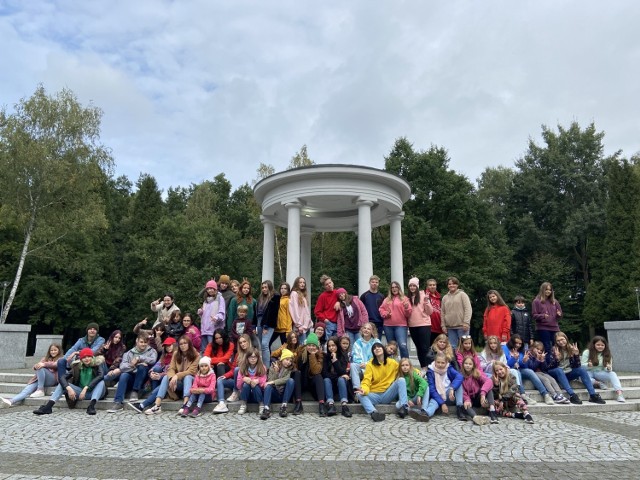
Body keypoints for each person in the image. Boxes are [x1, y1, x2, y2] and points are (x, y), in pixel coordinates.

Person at [128, 336, 200, 415]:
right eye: (181, 344)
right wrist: (172, 377)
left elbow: (191, 371)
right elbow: (171, 369)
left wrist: (176, 376)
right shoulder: (174, 354)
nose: (183, 345)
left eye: (185, 343)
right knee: (165, 377)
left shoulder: (196, 355)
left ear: (189, 344)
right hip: (176, 383)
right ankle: (157, 405)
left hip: (191, 383)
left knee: (187, 377)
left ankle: (185, 405)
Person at [33, 348, 106, 416]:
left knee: (101, 382)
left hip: (97, 393)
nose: (86, 359)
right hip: (82, 393)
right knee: (62, 384)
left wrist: (86, 387)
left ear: (92, 357)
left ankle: (91, 406)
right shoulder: (77, 367)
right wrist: (68, 388)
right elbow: (62, 378)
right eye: (84, 357)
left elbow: (101, 376)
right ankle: (48, 407)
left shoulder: (97, 365)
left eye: (88, 356)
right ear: (81, 359)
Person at [355, 341, 409, 422]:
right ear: (373, 352)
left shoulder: (392, 363)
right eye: (374, 348)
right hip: (374, 395)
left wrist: (416, 371)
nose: (376, 348)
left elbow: (404, 368)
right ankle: (374, 413)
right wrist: (364, 389)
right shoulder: (370, 364)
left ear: (383, 349)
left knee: (401, 380)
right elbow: (366, 380)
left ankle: (404, 407)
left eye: (378, 347)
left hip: (387, 394)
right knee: (359, 394)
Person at [547, 332, 605, 405]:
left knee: (581, 369)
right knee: (559, 370)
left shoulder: (571, 348)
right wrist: (556, 359)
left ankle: (593, 395)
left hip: (568, 372)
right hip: (556, 373)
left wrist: (576, 355)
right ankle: (572, 395)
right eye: (558, 341)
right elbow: (548, 367)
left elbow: (577, 366)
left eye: (562, 339)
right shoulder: (553, 350)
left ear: (566, 339)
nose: (561, 342)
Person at [107, 334, 158, 412]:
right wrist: (135, 366)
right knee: (124, 375)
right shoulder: (129, 353)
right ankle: (118, 402)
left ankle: (135, 391)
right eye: (141, 342)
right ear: (137, 341)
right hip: (132, 377)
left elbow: (153, 360)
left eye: (145, 342)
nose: (143, 344)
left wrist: (139, 358)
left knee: (142, 367)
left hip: (145, 379)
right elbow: (122, 367)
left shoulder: (152, 351)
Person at [502, 334, 549, 405]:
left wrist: (524, 361)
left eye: (520, 343)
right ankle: (523, 395)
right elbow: (505, 365)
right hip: (509, 370)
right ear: (512, 342)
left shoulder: (521, 351)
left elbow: (523, 366)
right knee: (516, 372)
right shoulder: (505, 349)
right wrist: (514, 359)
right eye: (516, 343)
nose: (518, 345)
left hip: (519, 369)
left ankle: (545, 394)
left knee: (529, 371)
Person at [582, 336, 625, 402]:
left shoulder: (607, 353)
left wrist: (608, 368)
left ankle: (620, 394)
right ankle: (598, 383)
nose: (600, 346)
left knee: (612, 373)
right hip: (588, 372)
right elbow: (582, 366)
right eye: (598, 345)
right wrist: (588, 365)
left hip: (600, 372)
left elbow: (608, 369)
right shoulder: (587, 352)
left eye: (602, 345)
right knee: (582, 378)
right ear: (593, 345)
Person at [292, 333, 326, 416]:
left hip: (312, 382)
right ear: (306, 345)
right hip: (302, 381)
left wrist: (312, 356)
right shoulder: (301, 351)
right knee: (296, 373)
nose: (311, 347)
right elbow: (296, 365)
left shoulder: (320, 355)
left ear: (317, 347)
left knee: (318, 376)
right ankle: (298, 403)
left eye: (313, 345)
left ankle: (321, 405)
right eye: (309, 345)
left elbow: (316, 371)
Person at [425, 352, 465, 421]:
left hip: (449, 395)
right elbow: (432, 390)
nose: (440, 365)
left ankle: (459, 409)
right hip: (437, 396)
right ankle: (426, 415)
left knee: (459, 386)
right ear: (435, 361)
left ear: (446, 362)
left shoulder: (449, 369)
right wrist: (442, 403)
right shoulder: (430, 371)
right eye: (438, 362)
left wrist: (452, 388)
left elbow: (460, 376)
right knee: (432, 404)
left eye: (442, 363)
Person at [378, 281, 412, 359]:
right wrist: (386, 313)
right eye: (392, 287)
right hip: (388, 326)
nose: (394, 289)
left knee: (402, 345)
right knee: (390, 347)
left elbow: (408, 314)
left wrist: (406, 308)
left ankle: (405, 364)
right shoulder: (386, 299)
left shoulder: (405, 299)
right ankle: (390, 365)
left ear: (399, 288)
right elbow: (381, 310)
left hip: (401, 326)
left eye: (396, 287)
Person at [406, 277, 433, 370]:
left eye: (414, 286)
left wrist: (427, 302)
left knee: (425, 348)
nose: (412, 287)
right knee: (419, 348)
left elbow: (430, 312)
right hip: (412, 326)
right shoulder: (407, 298)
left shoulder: (423, 296)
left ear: (417, 286)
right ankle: (423, 368)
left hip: (424, 325)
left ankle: (429, 368)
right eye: (410, 286)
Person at [459, 356, 495, 425]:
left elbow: (489, 381)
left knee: (489, 388)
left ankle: (492, 411)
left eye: (470, 364)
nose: (468, 366)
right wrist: (466, 399)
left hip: (478, 397)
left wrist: (483, 394)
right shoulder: (460, 376)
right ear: (463, 364)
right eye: (466, 363)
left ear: (473, 366)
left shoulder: (477, 373)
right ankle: (475, 417)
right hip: (468, 399)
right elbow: (462, 390)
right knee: (465, 405)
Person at [261, 348, 296, 420]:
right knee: (268, 386)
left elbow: (286, 379)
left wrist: (273, 382)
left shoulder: (290, 369)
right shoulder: (273, 366)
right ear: (282, 359)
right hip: (275, 393)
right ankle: (266, 409)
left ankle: (284, 407)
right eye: (287, 359)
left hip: (284, 394)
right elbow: (270, 381)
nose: (288, 362)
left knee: (291, 381)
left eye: (290, 361)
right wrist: (276, 372)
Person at [322, 336, 352, 417]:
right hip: (330, 384)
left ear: (337, 345)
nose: (331, 348)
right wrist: (338, 375)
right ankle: (331, 405)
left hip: (341, 384)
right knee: (326, 380)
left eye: (333, 345)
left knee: (341, 379)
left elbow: (343, 371)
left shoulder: (343, 356)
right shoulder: (326, 357)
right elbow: (324, 373)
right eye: (329, 346)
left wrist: (335, 360)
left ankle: (344, 406)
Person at [440, 277, 472, 349]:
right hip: (450, 327)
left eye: (454, 283)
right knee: (452, 347)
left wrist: (466, 322)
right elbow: (442, 312)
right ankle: (454, 360)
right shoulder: (445, 297)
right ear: (447, 285)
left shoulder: (462, 295)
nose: (451, 285)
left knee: (464, 347)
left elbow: (468, 309)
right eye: (449, 284)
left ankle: (465, 360)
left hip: (462, 326)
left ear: (457, 285)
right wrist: (443, 325)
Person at [256, 280, 280, 368]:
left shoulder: (275, 297)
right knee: (262, 346)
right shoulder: (260, 297)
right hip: (259, 321)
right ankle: (263, 365)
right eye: (262, 288)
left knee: (264, 344)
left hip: (268, 323)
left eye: (266, 287)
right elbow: (257, 312)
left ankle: (267, 367)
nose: (264, 289)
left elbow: (273, 313)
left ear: (270, 287)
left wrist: (266, 325)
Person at [532, 282, 562, 353]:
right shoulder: (536, 301)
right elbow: (534, 315)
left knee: (557, 347)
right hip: (543, 328)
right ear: (542, 290)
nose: (548, 291)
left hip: (555, 327)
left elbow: (560, 315)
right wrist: (543, 316)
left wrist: (559, 314)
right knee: (547, 347)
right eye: (546, 289)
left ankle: (557, 362)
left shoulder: (555, 302)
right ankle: (547, 363)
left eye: (550, 290)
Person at [198, 280, 226, 353]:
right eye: (208, 289)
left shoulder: (220, 299)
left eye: (211, 288)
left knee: (213, 349)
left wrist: (216, 317)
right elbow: (205, 315)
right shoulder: (205, 301)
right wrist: (201, 312)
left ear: (215, 289)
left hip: (214, 329)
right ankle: (204, 363)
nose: (209, 290)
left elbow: (222, 312)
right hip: (204, 329)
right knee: (204, 350)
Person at [236, 348, 267, 415]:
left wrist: (258, 380)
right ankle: (243, 404)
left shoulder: (262, 367)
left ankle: (261, 404)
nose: (253, 359)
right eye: (251, 357)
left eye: (255, 357)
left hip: (258, 393)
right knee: (246, 385)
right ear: (247, 358)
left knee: (254, 384)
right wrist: (243, 379)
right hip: (246, 394)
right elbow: (238, 385)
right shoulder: (243, 367)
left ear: (258, 358)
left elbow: (264, 381)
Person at [398, 358, 429, 422]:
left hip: (416, 397)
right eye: (402, 365)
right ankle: (408, 410)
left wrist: (419, 395)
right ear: (400, 367)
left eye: (407, 365)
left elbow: (424, 382)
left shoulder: (414, 374)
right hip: (406, 400)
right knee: (397, 405)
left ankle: (423, 410)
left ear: (410, 366)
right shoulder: (399, 377)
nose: (405, 367)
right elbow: (398, 393)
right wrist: (408, 399)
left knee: (427, 387)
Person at [350, 322, 378, 394]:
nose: (366, 330)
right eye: (364, 328)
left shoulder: (376, 342)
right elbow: (356, 356)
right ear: (362, 330)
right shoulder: (357, 343)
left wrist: (367, 364)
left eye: (369, 329)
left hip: (373, 368)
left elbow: (378, 357)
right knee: (353, 365)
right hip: (361, 367)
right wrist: (363, 365)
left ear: (372, 331)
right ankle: (358, 390)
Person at [359, 275, 385, 339]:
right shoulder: (364, 296)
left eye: (376, 282)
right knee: (367, 343)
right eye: (373, 282)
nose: (374, 284)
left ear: (378, 284)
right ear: (369, 283)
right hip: (368, 323)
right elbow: (360, 310)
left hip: (379, 324)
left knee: (377, 343)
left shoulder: (381, 296)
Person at [289, 276, 313, 343]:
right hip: (301, 327)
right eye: (300, 282)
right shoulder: (294, 294)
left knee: (307, 346)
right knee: (302, 348)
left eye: (304, 282)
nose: (302, 284)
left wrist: (309, 322)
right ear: (297, 283)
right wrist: (299, 325)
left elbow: (306, 311)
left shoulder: (303, 295)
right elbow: (294, 311)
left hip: (306, 325)